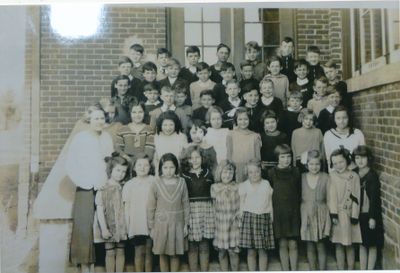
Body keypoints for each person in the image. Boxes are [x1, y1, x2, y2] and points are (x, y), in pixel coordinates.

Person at [65, 106, 114, 273]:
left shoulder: (107, 138)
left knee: (104, 225)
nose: (99, 121)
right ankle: (85, 267)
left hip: (104, 187)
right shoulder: (80, 138)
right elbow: (71, 165)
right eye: (95, 118)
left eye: (102, 118)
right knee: (84, 227)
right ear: (89, 121)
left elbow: (110, 163)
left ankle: (103, 265)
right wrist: (86, 182)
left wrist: (106, 182)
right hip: (86, 187)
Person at [147, 153, 190, 272]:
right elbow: (151, 206)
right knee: (162, 253)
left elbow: (186, 204)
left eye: (171, 167)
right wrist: (151, 227)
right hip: (161, 225)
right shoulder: (156, 183)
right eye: (165, 167)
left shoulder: (182, 182)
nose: (168, 171)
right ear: (160, 168)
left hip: (177, 223)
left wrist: (186, 224)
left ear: (176, 167)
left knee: (175, 253)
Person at [181, 145, 215, 271]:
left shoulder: (209, 174)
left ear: (202, 158)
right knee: (192, 245)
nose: (194, 160)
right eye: (191, 158)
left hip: (206, 211)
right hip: (191, 211)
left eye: (197, 157)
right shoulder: (183, 176)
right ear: (187, 160)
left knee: (204, 244)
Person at [267, 144, 301, 271]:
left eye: (288, 156)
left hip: (293, 212)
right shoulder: (271, 173)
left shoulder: (296, 172)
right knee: (282, 243)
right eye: (283, 157)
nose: (286, 159)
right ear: (277, 158)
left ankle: (294, 269)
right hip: (279, 212)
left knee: (293, 244)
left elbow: (298, 191)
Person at [328, 147, 362, 270]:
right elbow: (331, 196)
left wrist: (354, 215)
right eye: (335, 163)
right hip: (337, 214)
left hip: (349, 214)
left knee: (350, 244)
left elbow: (357, 196)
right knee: (338, 244)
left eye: (341, 162)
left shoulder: (354, 176)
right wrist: (333, 214)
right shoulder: (331, 176)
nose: (338, 165)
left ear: (347, 161)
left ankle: (351, 269)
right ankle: (341, 269)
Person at [94, 153, 128, 272]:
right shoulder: (103, 188)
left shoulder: (125, 187)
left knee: (121, 251)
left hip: (121, 225)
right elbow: (99, 209)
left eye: (124, 171)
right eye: (118, 170)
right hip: (109, 225)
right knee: (109, 252)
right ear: (110, 170)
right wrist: (104, 228)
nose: (121, 174)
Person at [238, 159, 275, 271]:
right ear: (247, 173)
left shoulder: (266, 184)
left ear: (261, 171)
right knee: (251, 251)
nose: (254, 175)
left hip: (263, 218)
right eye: (251, 172)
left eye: (257, 171)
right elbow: (242, 203)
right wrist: (241, 219)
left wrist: (271, 216)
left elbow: (270, 202)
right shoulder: (244, 185)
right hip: (249, 219)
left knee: (263, 250)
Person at [123, 155, 156, 272]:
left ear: (150, 167)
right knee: (138, 252)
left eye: (146, 165)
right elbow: (126, 207)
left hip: (151, 223)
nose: (142, 168)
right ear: (134, 168)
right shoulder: (129, 184)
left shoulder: (154, 181)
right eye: (139, 165)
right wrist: (127, 225)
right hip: (136, 224)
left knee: (149, 252)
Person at [353, 145, 384, 270]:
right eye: (357, 158)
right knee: (362, 243)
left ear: (369, 159)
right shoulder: (354, 173)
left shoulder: (372, 175)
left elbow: (374, 199)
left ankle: (370, 269)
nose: (360, 161)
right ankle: (362, 269)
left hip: (369, 214)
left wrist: (372, 217)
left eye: (363, 158)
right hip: (358, 213)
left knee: (371, 244)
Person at [300, 150, 331, 270]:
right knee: (310, 245)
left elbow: (329, 197)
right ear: (307, 164)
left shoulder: (325, 177)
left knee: (321, 245)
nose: (314, 167)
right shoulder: (302, 177)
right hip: (306, 213)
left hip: (321, 213)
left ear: (321, 164)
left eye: (317, 164)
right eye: (311, 164)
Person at [210, 160, 240, 271]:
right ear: (219, 173)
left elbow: (240, 205)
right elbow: (213, 207)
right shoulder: (214, 188)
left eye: (230, 173)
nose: (227, 175)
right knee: (222, 252)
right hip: (220, 224)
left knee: (233, 251)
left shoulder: (237, 187)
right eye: (224, 172)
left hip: (233, 224)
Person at [323, 105, 365, 171]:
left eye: (344, 118)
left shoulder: (357, 133)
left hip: (354, 171)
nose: (341, 121)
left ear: (349, 118)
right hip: (336, 172)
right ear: (334, 119)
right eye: (338, 118)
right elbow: (329, 158)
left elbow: (362, 155)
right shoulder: (328, 135)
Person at [227, 107, 262, 183]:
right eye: (240, 119)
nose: (243, 122)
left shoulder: (255, 136)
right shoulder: (231, 134)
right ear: (236, 120)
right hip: (236, 170)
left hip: (251, 170)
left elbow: (258, 158)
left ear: (249, 120)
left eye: (245, 119)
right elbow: (229, 155)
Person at [291, 108, 325, 173]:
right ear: (301, 119)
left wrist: (323, 166)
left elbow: (322, 150)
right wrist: (294, 166)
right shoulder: (296, 132)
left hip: (315, 162)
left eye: (311, 120)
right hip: (300, 163)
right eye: (306, 119)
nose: (308, 122)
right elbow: (294, 150)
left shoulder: (318, 132)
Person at [260, 110, 289, 175]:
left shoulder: (283, 136)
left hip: (280, 166)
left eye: (273, 122)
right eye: (267, 123)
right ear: (264, 124)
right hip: (265, 166)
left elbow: (286, 152)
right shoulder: (261, 136)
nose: (270, 125)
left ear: (277, 121)